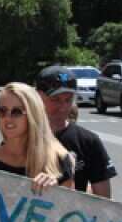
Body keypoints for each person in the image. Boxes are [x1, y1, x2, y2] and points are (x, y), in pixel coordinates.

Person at [0, 82, 74, 193]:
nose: (8, 118)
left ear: (33, 114)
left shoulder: (59, 161)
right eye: (2, 111)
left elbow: (67, 208)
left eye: (17, 112)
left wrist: (55, 191)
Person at [36, 65, 116, 197]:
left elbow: (104, 201)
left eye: (68, 100)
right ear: (38, 96)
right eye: (55, 99)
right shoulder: (23, 136)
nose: (63, 107)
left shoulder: (88, 141)